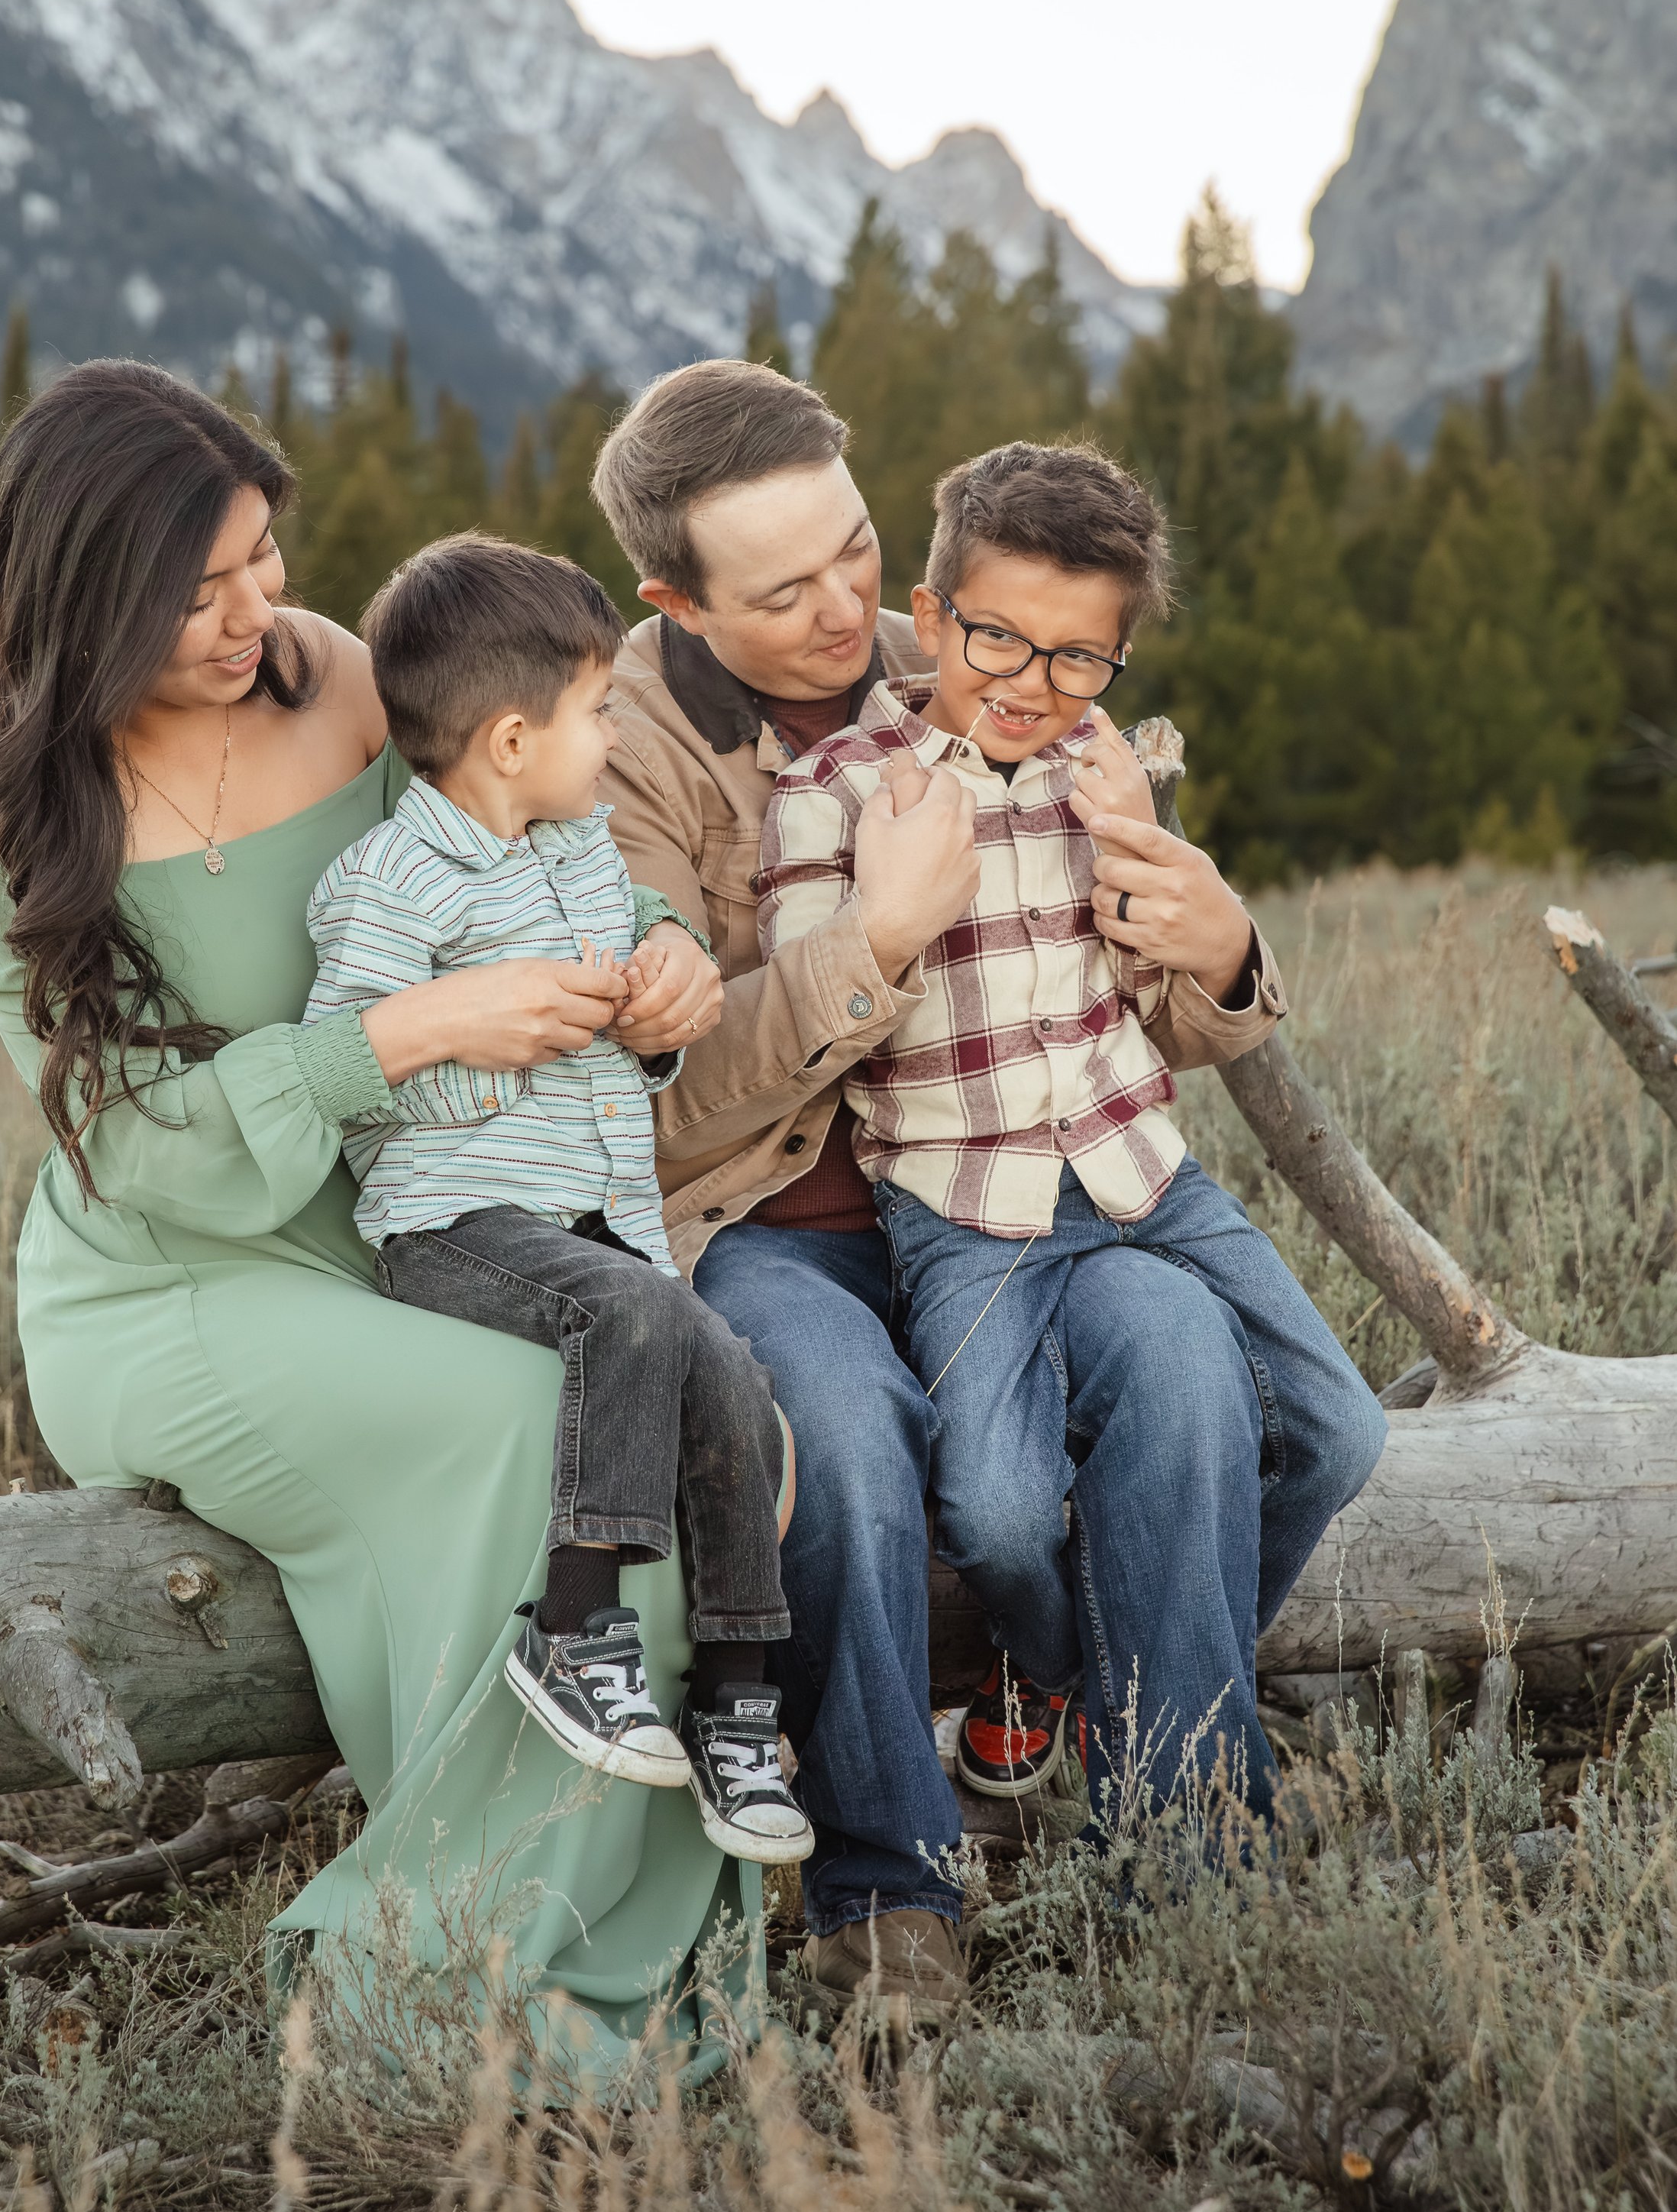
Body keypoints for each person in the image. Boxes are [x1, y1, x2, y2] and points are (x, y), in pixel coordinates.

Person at [0, 360, 755, 2087]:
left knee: (669, 1398)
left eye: (258, 557)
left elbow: (521, 844)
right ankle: (439, 1981)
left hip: (408, 1223)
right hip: (177, 1285)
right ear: (83, 593)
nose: (250, 611)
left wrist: (653, 941)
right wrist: (400, 1036)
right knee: (536, 1424)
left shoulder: (342, 681)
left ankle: (575, 1941)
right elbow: (131, 1144)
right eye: (197, 587)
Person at [592, 359, 1388, 2026]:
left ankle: (1169, 1801)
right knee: (860, 1459)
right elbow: (646, 1117)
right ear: (674, 597)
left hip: (1030, 1183)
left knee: (1187, 1365)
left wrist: (1221, 947)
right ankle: (887, 1894)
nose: (842, 615)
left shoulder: (966, 649)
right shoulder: (621, 759)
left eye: (857, 552)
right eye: (781, 588)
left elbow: (1121, 992)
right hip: (772, 1222)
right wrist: (869, 940)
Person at [757, 438, 1388, 1826]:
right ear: (932, 621)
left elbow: (1165, 979)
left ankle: (1111, 1708)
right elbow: (812, 1010)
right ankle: (1065, 1676)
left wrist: (1197, 910)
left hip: (1143, 1170)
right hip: (965, 1210)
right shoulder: (839, 792)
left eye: (1079, 659)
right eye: (999, 639)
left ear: (1114, 664)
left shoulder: (1096, 772)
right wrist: (890, 914)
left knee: (1338, 1429)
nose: (1034, 684)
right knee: (989, 1510)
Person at [302, 532, 811, 1864]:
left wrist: (659, 988)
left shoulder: (584, 850)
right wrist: (482, 1043)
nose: (617, 733)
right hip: (454, 1223)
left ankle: (743, 1708)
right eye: (600, 711)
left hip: (597, 1222)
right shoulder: (388, 886)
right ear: (513, 740)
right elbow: (352, 1070)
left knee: (736, 1380)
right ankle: (575, 1630)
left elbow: (662, 940)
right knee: (637, 1317)